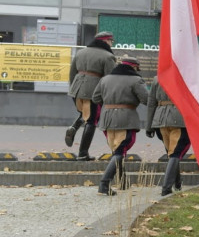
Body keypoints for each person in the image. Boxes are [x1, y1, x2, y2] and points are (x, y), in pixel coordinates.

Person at [92, 55, 149, 196]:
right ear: (134, 67)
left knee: (117, 150)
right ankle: (104, 184)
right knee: (120, 150)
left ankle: (123, 182)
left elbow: (95, 98)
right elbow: (146, 99)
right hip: (126, 118)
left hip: (107, 119)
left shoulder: (105, 79)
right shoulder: (136, 80)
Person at [65, 31, 117, 160]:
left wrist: (73, 89)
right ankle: (83, 153)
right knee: (92, 121)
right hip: (93, 92)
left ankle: (74, 127)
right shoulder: (108, 56)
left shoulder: (81, 52)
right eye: (111, 41)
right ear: (105, 41)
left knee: (85, 114)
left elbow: (72, 73)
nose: (111, 43)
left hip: (76, 90)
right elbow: (109, 79)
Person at [145, 75, 189, 197]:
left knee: (172, 153)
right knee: (175, 154)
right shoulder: (186, 76)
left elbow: (151, 103)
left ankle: (178, 184)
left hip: (160, 119)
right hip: (180, 119)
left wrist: (149, 126)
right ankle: (166, 188)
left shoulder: (157, 78)